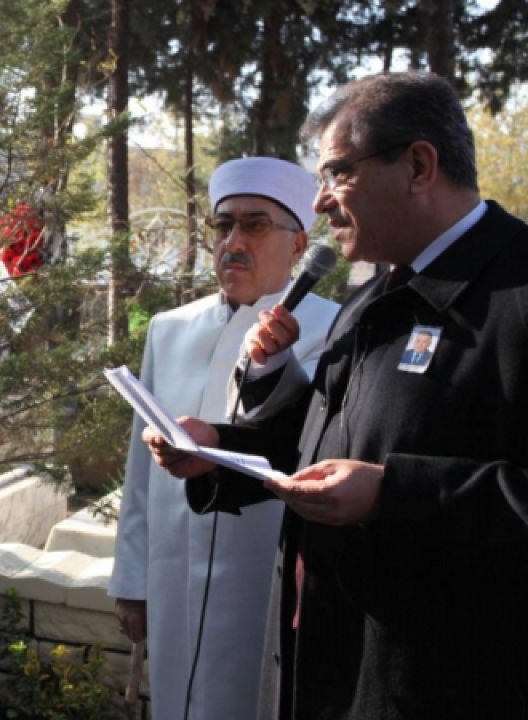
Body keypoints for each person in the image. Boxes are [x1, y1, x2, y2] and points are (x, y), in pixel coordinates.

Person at [145, 72, 528, 719]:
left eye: (337, 175)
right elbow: (320, 443)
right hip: (335, 674)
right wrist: (220, 450)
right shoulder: (371, 300)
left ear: (418, 165)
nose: (320, 203)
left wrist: (390, 493)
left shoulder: (516, 295)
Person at [109, 157, 340, 720]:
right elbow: (141, 473)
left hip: (265, 586)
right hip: (170, 575)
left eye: (255, 225)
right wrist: (132, 579)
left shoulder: (336, 330)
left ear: (298, 244)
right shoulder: (170, 329)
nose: (233, 241)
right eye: (223, 225)